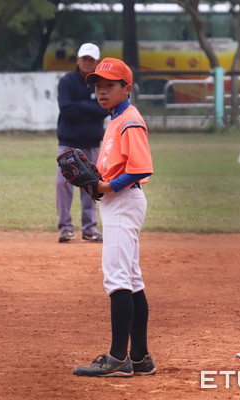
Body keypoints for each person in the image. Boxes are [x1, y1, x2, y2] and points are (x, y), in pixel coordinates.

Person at [72, 58, 156, 377]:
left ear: (127, 88)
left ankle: (118, 358)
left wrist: (105, 185)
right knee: (131, 280)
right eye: (98, 86)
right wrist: (98, 181)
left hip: (123, 201)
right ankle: (139, 357)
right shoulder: (116, 118)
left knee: (118, 278)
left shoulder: (129, 120)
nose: (101, 91)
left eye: (109, 86)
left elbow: (140, 168)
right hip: (119, 201)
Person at [56, 43, 109, 243]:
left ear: (97, 63)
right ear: (77, 60)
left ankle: (89, 229)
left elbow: (104, 109)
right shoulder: (67, 82)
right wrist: (91, 108)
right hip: (68, 142)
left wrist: (80, 106)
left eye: (91, 60)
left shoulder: (101, 83)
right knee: (63, 185)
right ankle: (65, 228)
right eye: (84, 59)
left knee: (92, 185)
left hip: (93, 143)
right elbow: (67, 110)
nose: (87, 63)